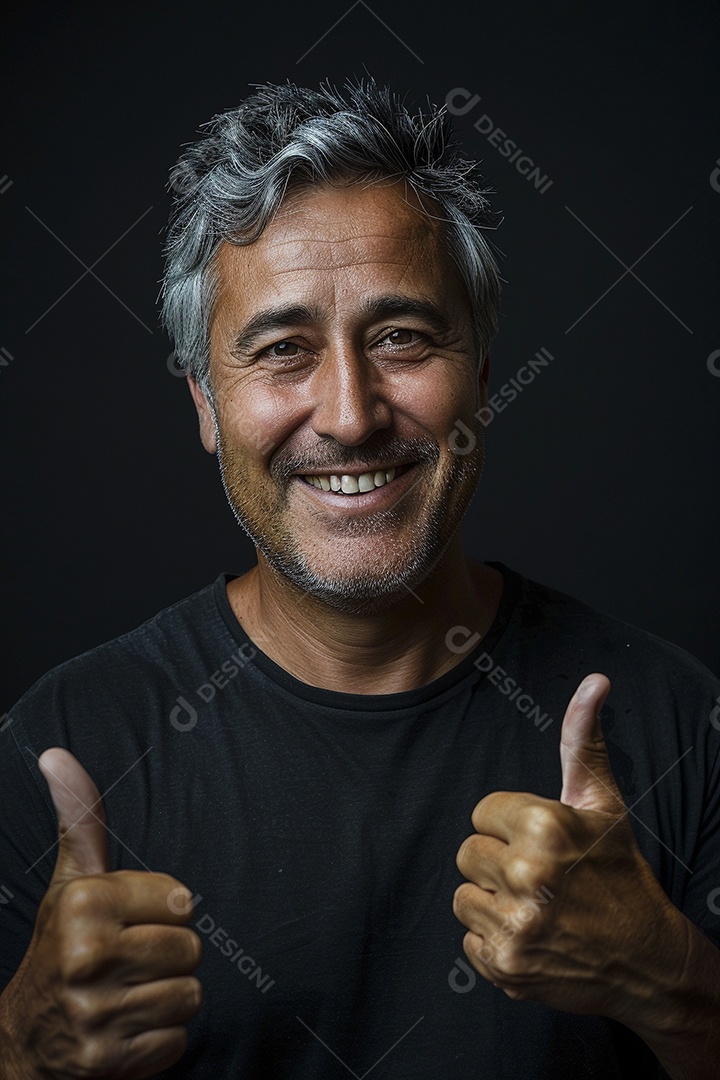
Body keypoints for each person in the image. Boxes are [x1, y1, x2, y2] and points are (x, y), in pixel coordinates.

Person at [0, 79, 718, 1080]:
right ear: (206, 404)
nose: (349, 414)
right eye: (284, 350)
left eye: (401, 338)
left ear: (480, 367)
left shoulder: (681, 725)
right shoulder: (60, 750)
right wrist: (19, 1057)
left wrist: (672, 983)